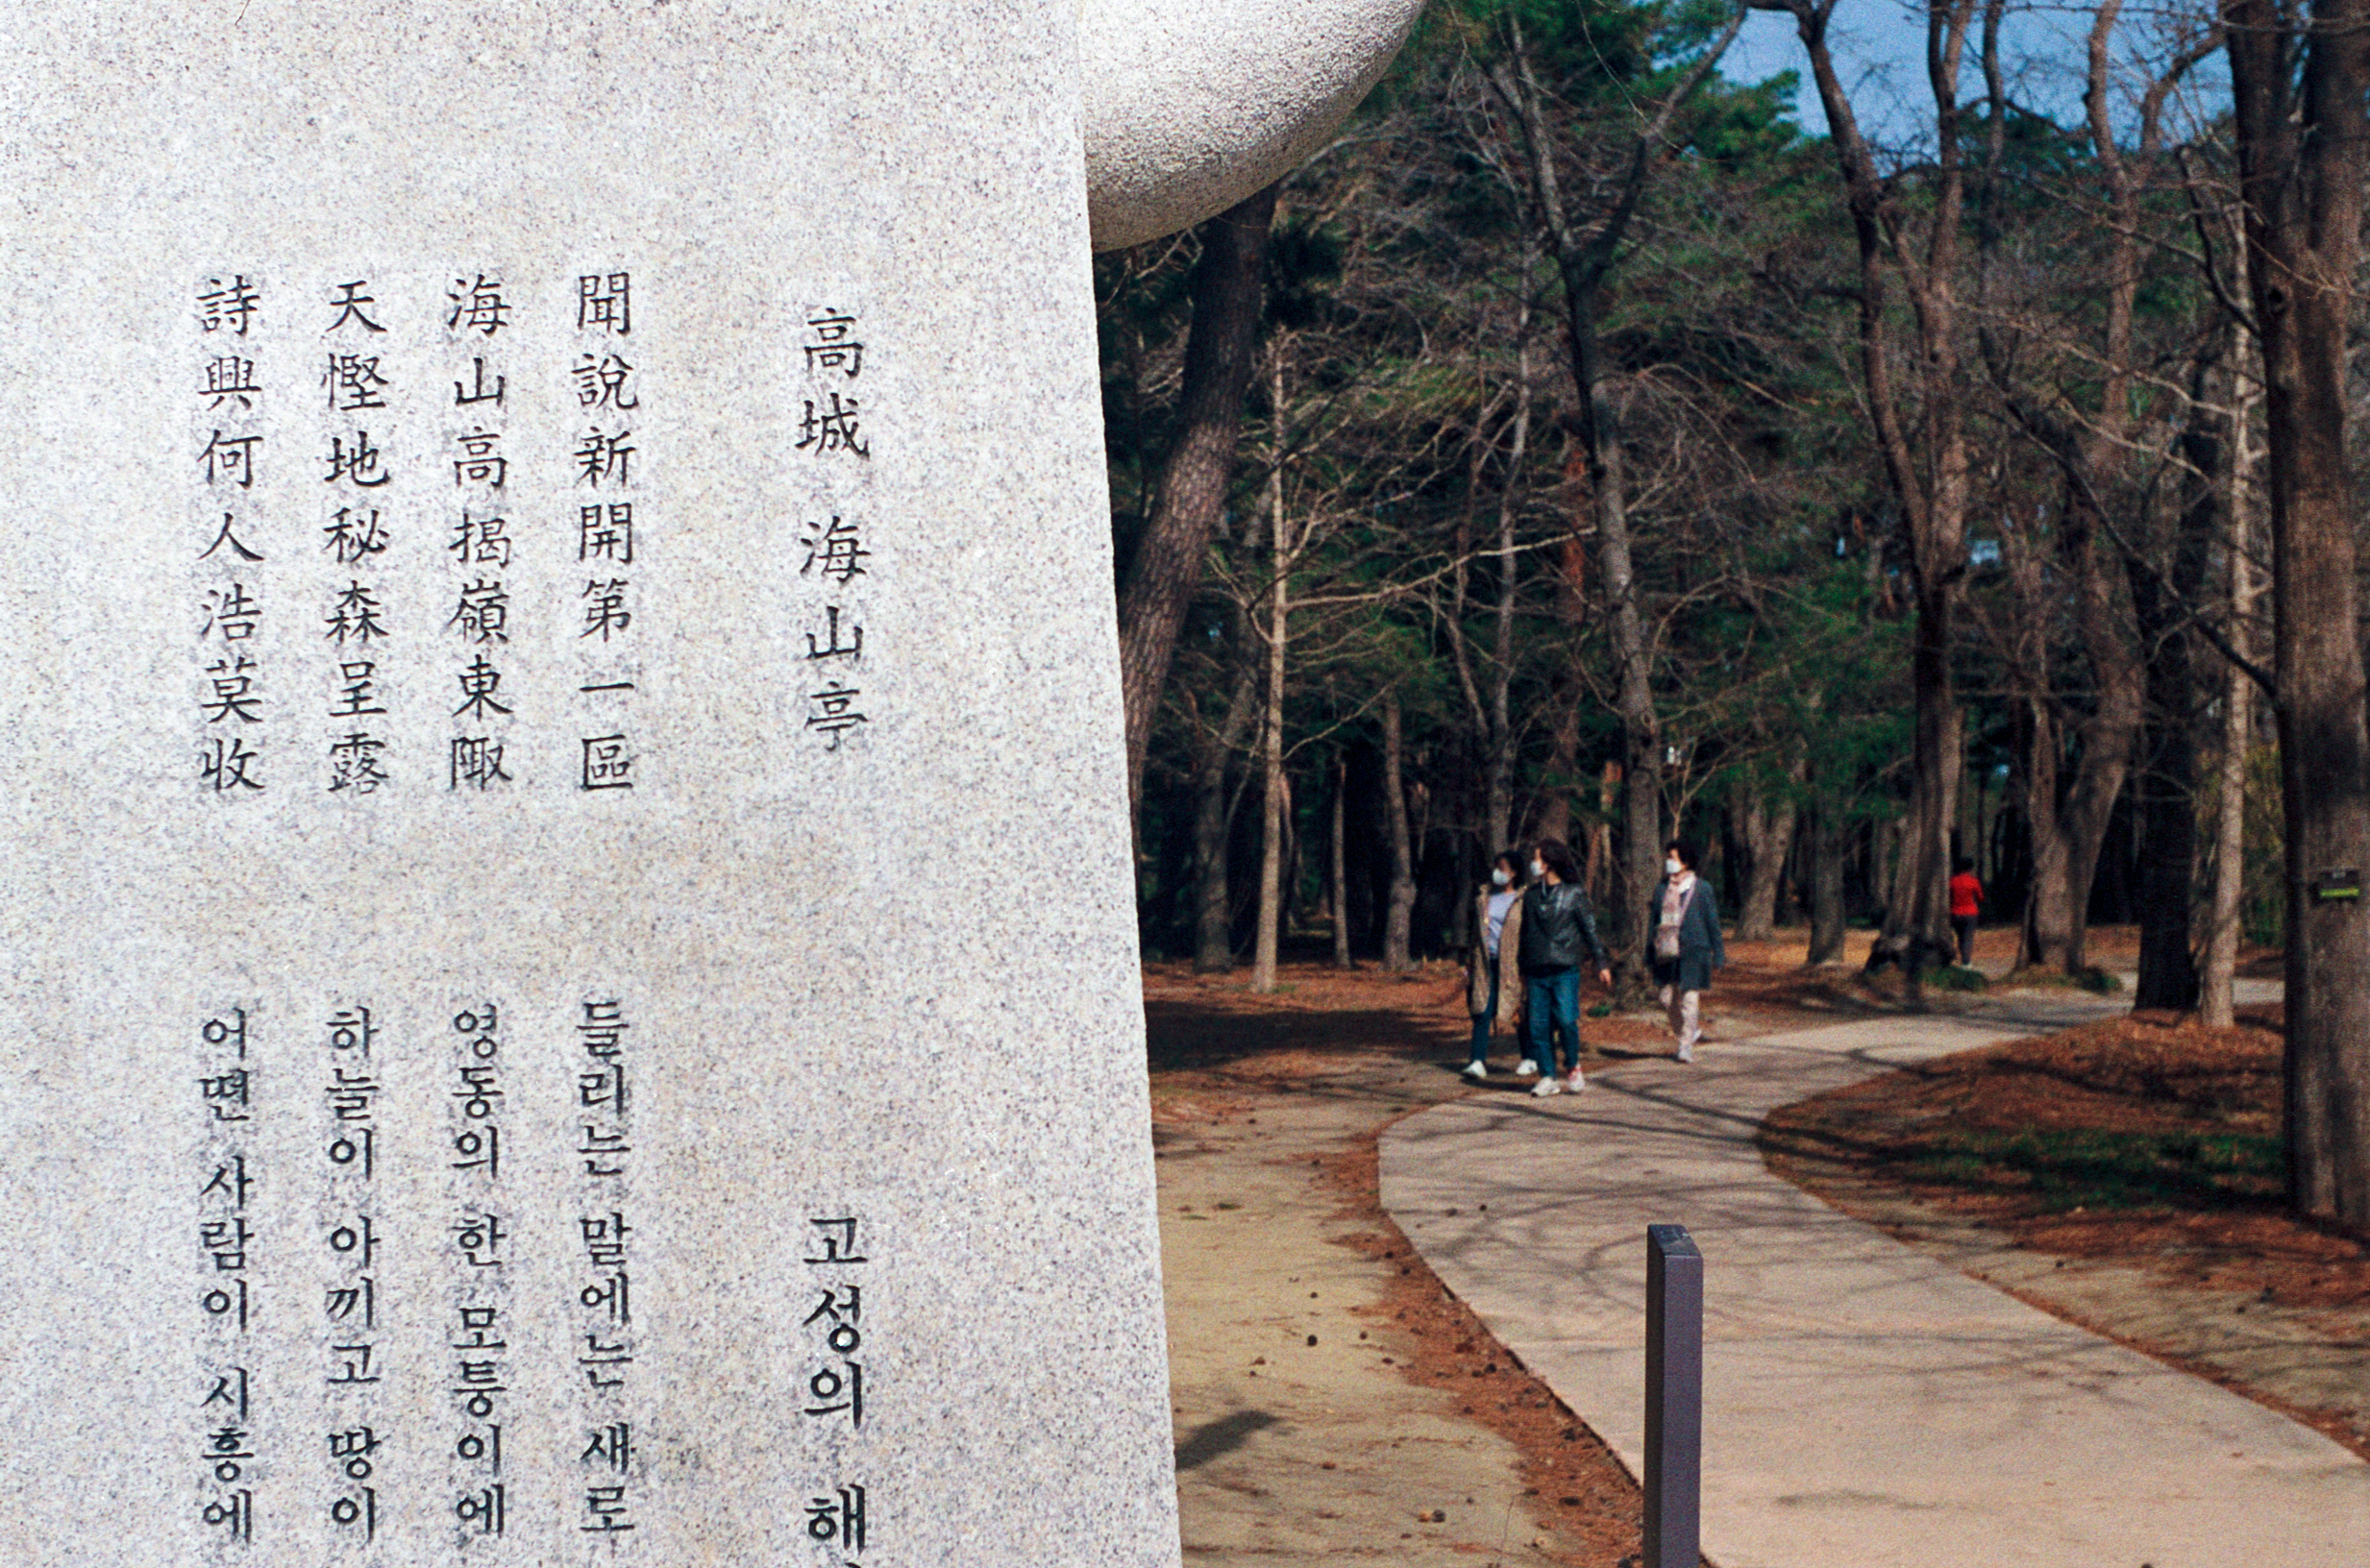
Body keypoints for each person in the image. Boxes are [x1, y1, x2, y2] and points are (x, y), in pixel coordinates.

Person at [1518, 838, 1612, 1097]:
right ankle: (1547, 1076)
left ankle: (1572, 1065)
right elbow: (1525, 934)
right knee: (1538, 1026)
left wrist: (1601, 962)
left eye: (1537, 859)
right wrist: (1521, 968)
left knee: (1567, 1020)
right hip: (1536, 969)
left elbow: (1589, 930)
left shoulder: (1574, 893)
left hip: (1564, 967)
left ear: (1549, 862)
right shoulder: (1531, 895)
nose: (1534, 863)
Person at [1651, 838, 1725, 1064]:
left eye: (1672, 858)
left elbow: (1712, 922)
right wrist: (1649, 952)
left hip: (1694, 950)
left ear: (1685, 862)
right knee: (1666, 998)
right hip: (1667, 951)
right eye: (1668, 857)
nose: (1668, 861)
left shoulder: (1702, 889)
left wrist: (1718, 953)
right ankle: (1688, 1031)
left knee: (1689, 1000)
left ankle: (1685, 1046)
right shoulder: (1661, 889)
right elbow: (1654, 922)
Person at [1462, 849, 1526, 1080]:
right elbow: (1475, 934)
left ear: (1514, 872)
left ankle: (1529, 1057)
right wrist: (1469, 963)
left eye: (1503, 868)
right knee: (1482, 1009)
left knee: (1517, 1009)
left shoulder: (1522, 899)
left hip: (1512, 964)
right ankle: (1477, 1061)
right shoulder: (1484, 898)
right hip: (1485, 963)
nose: (1498, 873)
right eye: (1496, 868)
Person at [1949, 856, 1984, 968]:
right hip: (1970, 912)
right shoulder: (1973, 881)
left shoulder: (1953, 881)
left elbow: (1949, 896)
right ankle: (1966, 962)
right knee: (1968, 937)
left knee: (1960, 937)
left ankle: (1963, 958)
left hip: (1956, 912)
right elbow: (1980, 897)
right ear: (1971, 868)